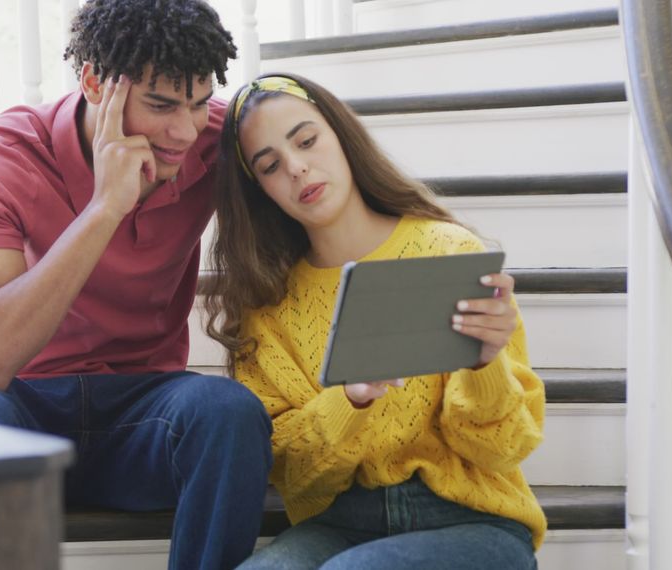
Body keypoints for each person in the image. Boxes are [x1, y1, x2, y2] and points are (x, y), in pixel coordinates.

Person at [0, 1, 272, 568]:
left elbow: (326, 174)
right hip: (24, 409)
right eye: (161, 105)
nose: (184, 130)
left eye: (197, 101)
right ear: (94, 81)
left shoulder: (217, 137)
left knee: (228, 412)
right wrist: (103, 209)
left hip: (144, 413)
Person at [204, 73, 546, 569]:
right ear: (261, 191)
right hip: (339, 523)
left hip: (473, 520)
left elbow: (503, 449)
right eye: (271, 165)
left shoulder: (447, 251)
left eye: (306, 140)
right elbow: (289, 470)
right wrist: (348, 399)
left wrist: (486, 366)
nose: (297, 168)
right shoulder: (267, 305)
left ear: (341, 135)